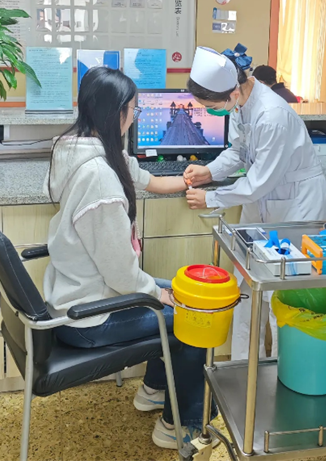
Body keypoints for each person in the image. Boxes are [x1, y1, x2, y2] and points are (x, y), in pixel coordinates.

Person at [44, 67, 216, 449]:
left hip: (76, 292)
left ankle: (154, 389)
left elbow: (150, 180)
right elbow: (122, 275)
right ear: (117, 112)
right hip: (88, 316)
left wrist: (194, 178)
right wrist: (156, 294)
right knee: (192, 314)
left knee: (181, 292)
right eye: (134, 110)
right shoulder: (99, 178)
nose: (135, 118)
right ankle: (180, 426)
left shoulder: (78, 149)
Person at [183, 45, 326, 361]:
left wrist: (211, 197)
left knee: (283, 295)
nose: (212, 112)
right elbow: (239, 152)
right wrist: (209, 171)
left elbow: (257, 183)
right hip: (264, 201)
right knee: (246, 286)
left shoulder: (272, 115)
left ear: (232, 92)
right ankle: (243, 365)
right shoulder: (240, 105)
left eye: (212, 106)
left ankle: (281, 370)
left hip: (295, 206)